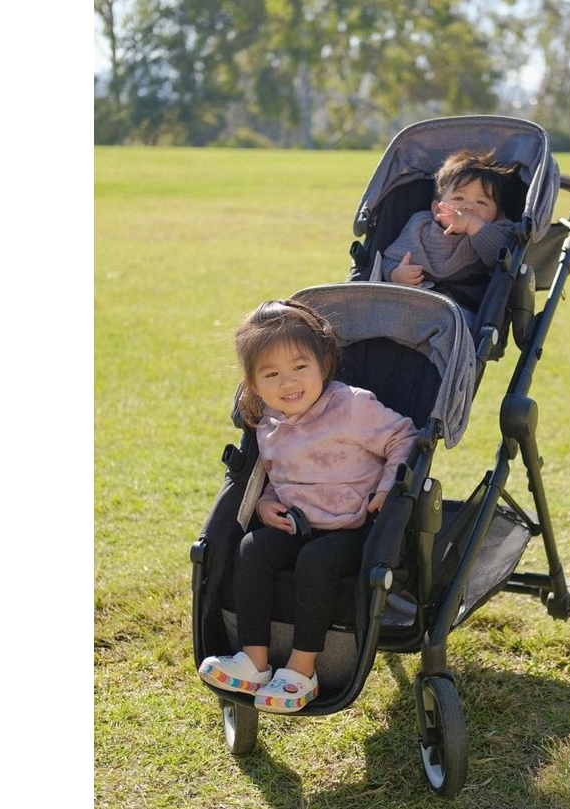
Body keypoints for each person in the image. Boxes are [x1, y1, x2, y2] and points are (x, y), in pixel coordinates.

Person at [198, 299, 418, 713]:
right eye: (271, 375)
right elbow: (274, 475)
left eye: (300, 367)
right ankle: (254, 661)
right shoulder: (268, 422)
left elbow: (404, 436)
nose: (288, 383)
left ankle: (302, 670)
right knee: (252, 549)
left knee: (316, 561)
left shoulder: (351, 406)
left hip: (353, 527)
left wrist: (389, 488)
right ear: (253, 385)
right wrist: (266, 504)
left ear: (324, 364)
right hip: (296, 524)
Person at [380, 148, 518, 326]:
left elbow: (502, 258)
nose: (468, 207)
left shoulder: (498, 230)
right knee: (385, 316)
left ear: (498, 215)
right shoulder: (420, 226)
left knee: (449, 325)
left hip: (463, 311)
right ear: (436, 209)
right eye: (459, 198)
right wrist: (396, 274)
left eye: (481, 202)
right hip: (415, 303)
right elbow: (390, 259)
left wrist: (472, 224)